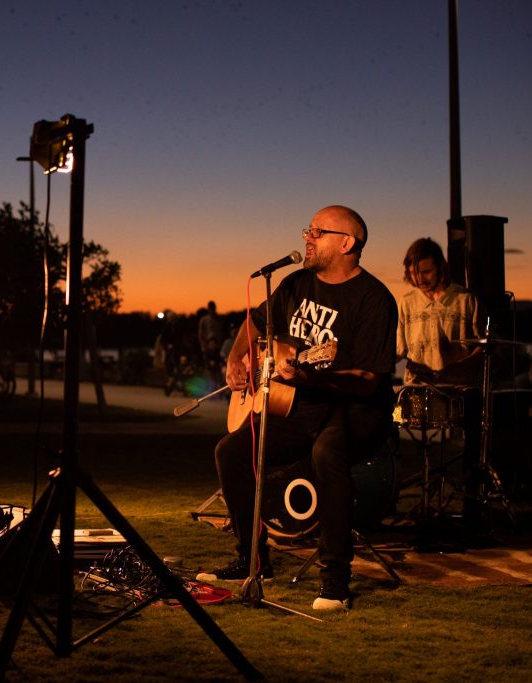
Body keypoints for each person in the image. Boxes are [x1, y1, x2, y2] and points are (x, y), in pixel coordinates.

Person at [208, 205, 397, 611]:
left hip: (357, 409)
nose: (306, 238)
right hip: (301, 405)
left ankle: (336, 581)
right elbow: (255, 324)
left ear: (346, 243)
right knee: (232, 452)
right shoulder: (295, 284)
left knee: (327, 452)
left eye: (317, 231)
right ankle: (253, 561)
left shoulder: (374, 299)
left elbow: (367, 380)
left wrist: (312, 377)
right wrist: (236, 358)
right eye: (307, 230)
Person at [396, 237, 484, 526]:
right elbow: (397, 350)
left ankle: (472, 504)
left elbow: (481, 348)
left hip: (458, 388)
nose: (419, 279)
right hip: (419, 389)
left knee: (476, 433)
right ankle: (386, 498)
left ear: (441, 267)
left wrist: (458, 367)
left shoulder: (465, 299)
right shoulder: (406, 304)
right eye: (414, 273)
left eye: (426, 272)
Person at [198, 300, 226, 387]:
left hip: (217, 347)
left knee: (217, 368)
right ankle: (210, 386)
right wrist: (203, 346)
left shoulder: (219, 319)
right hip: (208, 346)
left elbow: (222, 332)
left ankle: (217, 386)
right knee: (209, 368)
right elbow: (201, 334)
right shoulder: (204, 320)